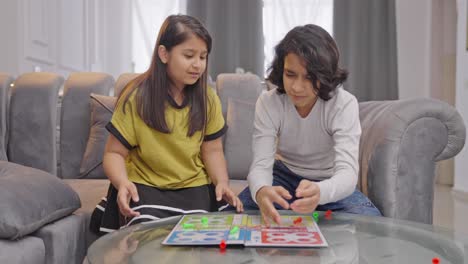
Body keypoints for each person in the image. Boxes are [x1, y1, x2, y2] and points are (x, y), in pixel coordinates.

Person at [90, 14, 243, 235]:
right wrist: (122, 182)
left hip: (193, 186)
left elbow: (213, 150)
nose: (197, 65)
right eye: (189, 55)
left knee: (213, 233)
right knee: (146, 235)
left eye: (203, 56)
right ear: (164, 54)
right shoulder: (136, 96)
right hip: (145, 186)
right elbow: (114, 153)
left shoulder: (207, 98)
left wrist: (222, 181)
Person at [235, 24, 381, 225]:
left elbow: (347, 174)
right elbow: (260, 165)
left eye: (310, 77)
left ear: (325, 75)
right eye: (290, 74)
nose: (296, 87)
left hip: (330, 181)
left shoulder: (343, 103)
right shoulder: (268, 102)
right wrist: (261, 191)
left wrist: (321, 193)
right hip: (284, 176)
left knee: (372, 225)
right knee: (234, 215)